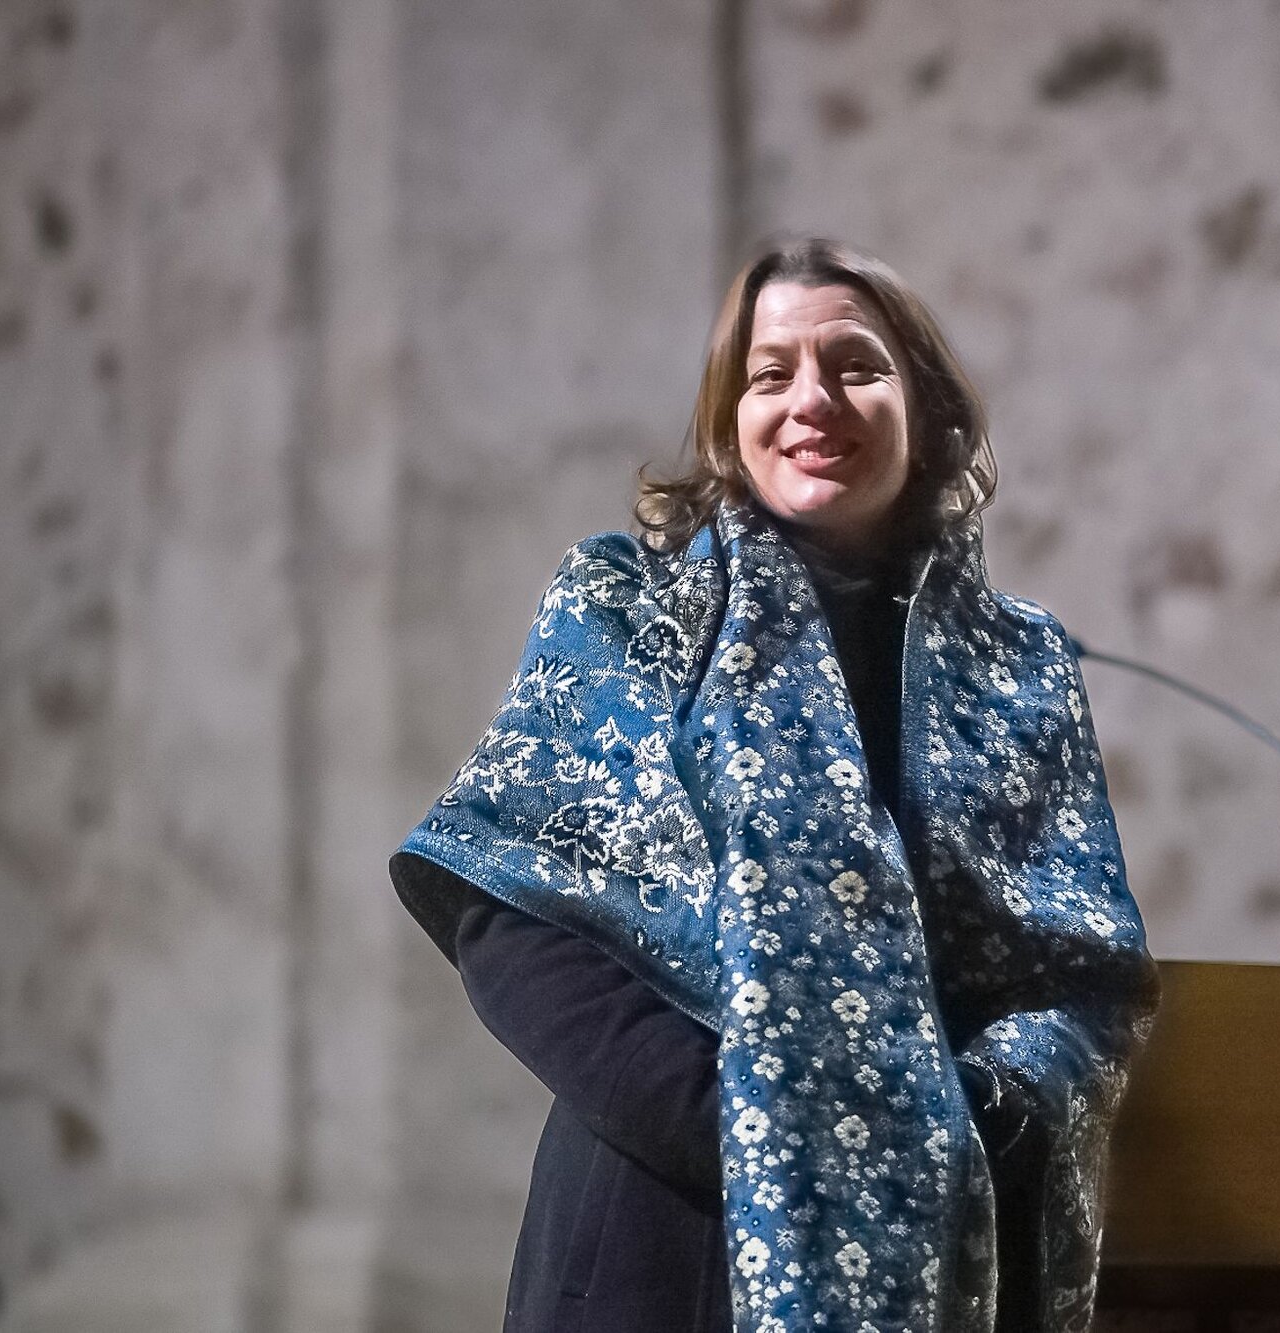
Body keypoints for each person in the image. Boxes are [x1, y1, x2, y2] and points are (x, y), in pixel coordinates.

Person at [390, 238, 1160, 1333]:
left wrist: (969, 1128)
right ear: (727, 425)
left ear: (930, 412)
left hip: (944, 1239)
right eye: (770, 374)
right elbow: (511, 920)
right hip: (666, 1239)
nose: (812, 400)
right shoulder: (627, 610)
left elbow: (1083, 978)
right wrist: (758, 1130)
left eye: (855, 366)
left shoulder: (1020, 669)